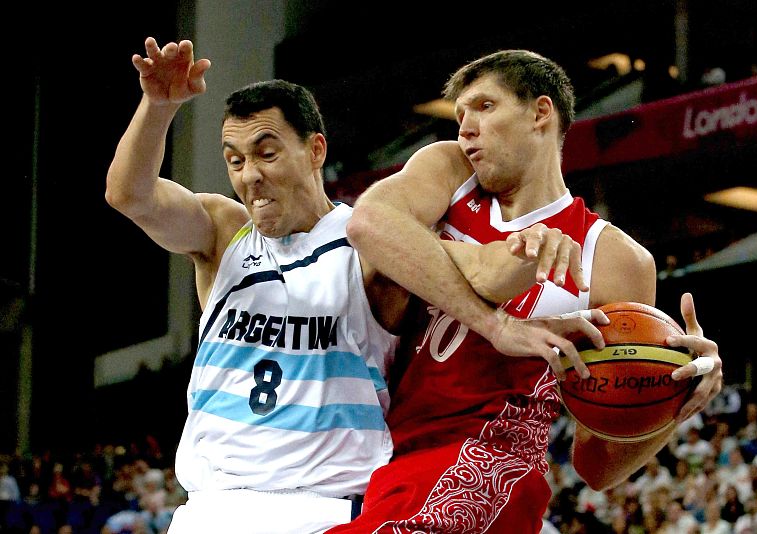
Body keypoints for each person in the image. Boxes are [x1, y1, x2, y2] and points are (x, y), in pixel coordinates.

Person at [106, 38, 609, 534]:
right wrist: (157, 106)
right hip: (208, 509)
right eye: (235, 161)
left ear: (314, 150)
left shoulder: (375, 246)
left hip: (323, 508)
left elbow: (480, 270)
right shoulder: (222, 233)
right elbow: (130, 195)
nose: (250, 176)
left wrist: (531, 253)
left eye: (266, 153)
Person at [328, 49, 723, 533]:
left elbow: (595, 466)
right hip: (380, 455)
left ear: (540, 112)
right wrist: (493, 312)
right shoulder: (450, 173)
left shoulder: (615, 259)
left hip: (488, 466)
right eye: (460, 116)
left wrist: (670, 407)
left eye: (485, 107)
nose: (465, 128)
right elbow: (368, 222)